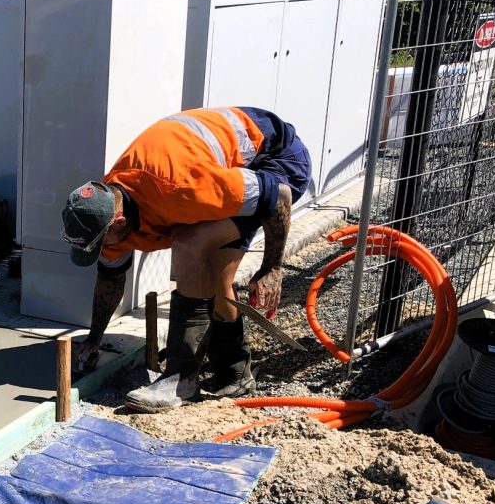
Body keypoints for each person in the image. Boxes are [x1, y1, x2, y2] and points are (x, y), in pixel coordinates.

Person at [61, 106, 310, 412]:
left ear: (119, 223)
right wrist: (94, 339)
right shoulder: (107, 209)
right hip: (212, 171)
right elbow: (110, 278)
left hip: (277, 159)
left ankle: (181, 379)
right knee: (216, 277)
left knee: (190, 244)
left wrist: (271, 268)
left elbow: (278, 198)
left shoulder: (182, 188)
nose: (101, 250)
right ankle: (235, 372)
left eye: (100, 244)